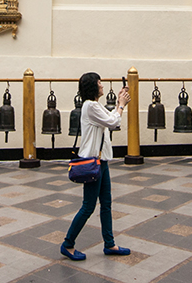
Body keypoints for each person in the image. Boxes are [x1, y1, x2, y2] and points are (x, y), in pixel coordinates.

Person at [61, 72, 131, 261]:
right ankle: (68, 244)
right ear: (93, 87)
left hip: (102, 162)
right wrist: (122, 105)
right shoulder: (90, 106)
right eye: (99, 83)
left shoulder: (94, 106)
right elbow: (114, 122)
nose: (102, 85)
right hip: (93, 163)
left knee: (106, 204)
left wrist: (119, 102)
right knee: (88, 206)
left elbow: (109, 117)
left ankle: (110, 244)